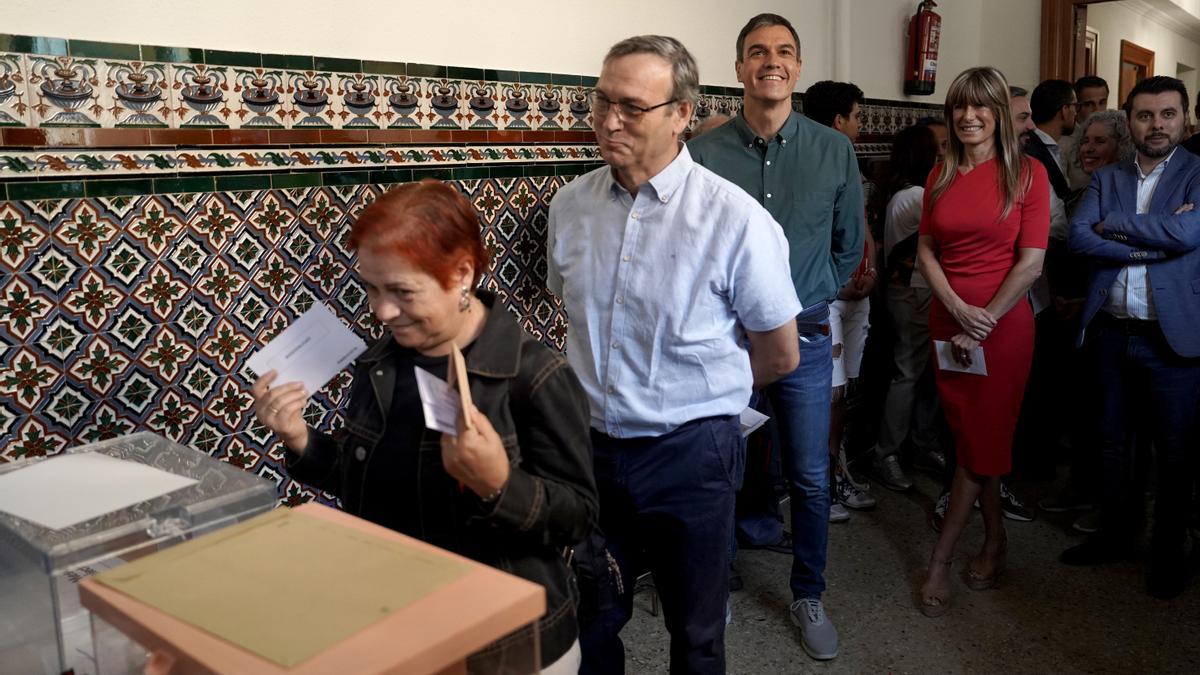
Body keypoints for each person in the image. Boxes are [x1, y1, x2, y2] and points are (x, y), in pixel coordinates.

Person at [251, 180, 598, 673]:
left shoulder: (533, 377)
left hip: (504, 643)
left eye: (401, 291)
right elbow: (369, 483)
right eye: (370, 287)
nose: (380, 310)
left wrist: (499, 485)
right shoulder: (382, 362)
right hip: (400, 621)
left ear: (461, 274)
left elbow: (579, 517)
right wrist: (300, 440)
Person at [549, 35, 802, 674]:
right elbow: (568, 309)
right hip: (593, 454)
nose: (609, 121)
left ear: (681, 114)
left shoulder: (734, 221)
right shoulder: (571, 207)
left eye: (632, 107)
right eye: (602, 101)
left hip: (692, 457)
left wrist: (702, 398)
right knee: (592, 621)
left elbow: (780, 354)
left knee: (696, 632)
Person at [688, 13, 865, 661]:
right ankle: (714, 583)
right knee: (717, 467)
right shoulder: (704, 153)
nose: (772, 60)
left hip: (807, 337)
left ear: (798, 66)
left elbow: (851, 246)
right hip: (724, 343)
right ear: (738, 68)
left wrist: (810, 294)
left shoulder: (833, 149)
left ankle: (808, 590)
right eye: (757, 51)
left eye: (784, 51)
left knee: (812, 475)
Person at [916, 67, 1049, 617]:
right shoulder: (940, 174)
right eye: (959, 107)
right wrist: (955, 310)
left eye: (981, 107)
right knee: (973, 440)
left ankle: (941, 559)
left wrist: (984, 319)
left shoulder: (1029, 175)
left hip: (1003, 330)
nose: (969, 117)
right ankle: (995, 541)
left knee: (980, 442)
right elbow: (926, 250)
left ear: (997, 112)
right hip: (949, 324)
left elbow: (1032, 263)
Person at [1062, 75, 1200, 600]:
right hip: (1112, 332)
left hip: (1175, 339)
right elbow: (1079, 238)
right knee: (1114, 445)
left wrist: (1114, 226)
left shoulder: (1197, 174)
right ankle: (1115, 536)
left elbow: (1191, 234)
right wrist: (1153, 240)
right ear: (1131, 122)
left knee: (1175, 451)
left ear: (1183, 119)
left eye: (1168, 114)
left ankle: (1167, 553)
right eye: (1146, 115)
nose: (1157, 125)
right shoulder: (1109, 176)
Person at [1037, 108, 1134, 534]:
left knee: (1106, 415)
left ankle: (1106, 500)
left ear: (1122, 146)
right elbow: (1071, 247)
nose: (1090, 149)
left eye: (1101, 142)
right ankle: (1080, 485)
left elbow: (1113, 252)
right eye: (1086, 141)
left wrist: (1080, 297)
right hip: (1069, 311)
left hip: (1103, 313)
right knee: (1078, 406)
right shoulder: (1082, 190)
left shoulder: (1126, 194)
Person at [801, 79, 878, 520]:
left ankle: (838, 472)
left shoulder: (849, 160)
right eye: (857, 116)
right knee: (825, 395)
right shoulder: (807, 163)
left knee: (844, 389)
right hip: (827, 297)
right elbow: (812, 236)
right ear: (837, 121)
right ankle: (822, 484)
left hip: (857, 293)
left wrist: (871, 270)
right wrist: (838, 281)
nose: (860, 125)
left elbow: (859, 224)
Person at [873, 123, 945, 519]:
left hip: (913, 289)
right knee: (908, 372)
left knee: (920, 370)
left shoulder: (904, 192)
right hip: (914, 290)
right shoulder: (916, 196)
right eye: (940, 148)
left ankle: (919, 442)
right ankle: (889, 453)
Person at [1061, 75, 1111, 190]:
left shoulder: (1117, 137)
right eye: (1089, 104)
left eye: (1102, 102)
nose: (1097, 110)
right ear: (1077, 106)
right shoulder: (1064, 144)